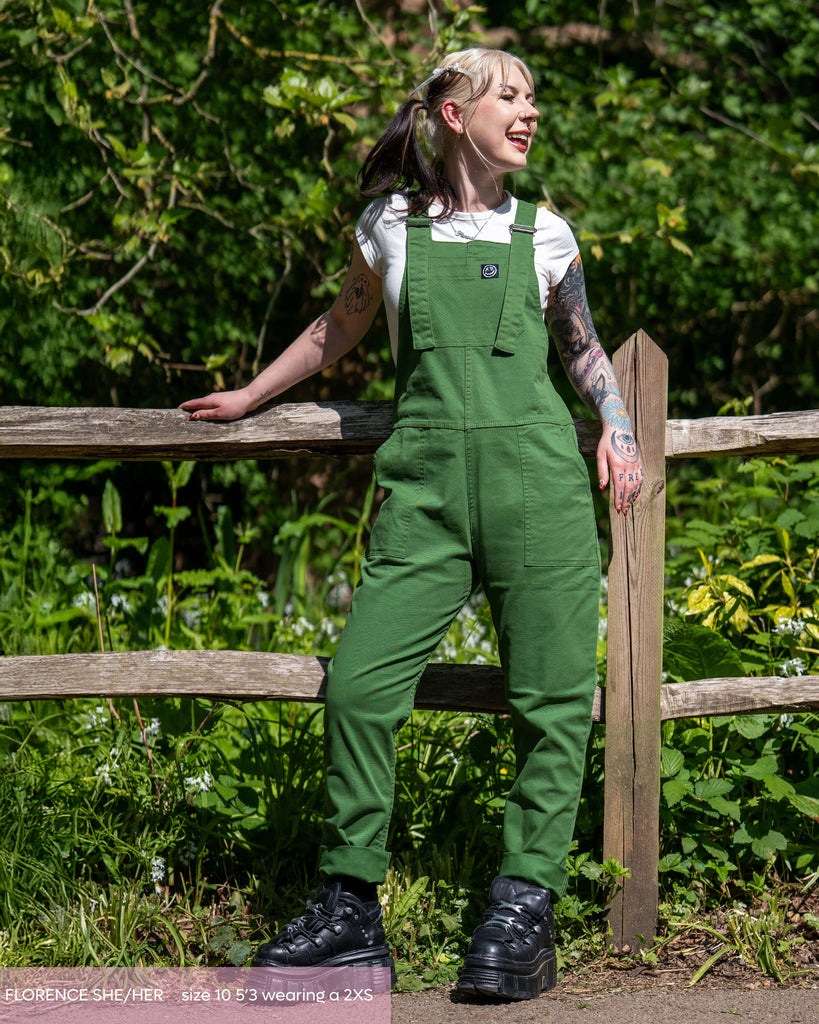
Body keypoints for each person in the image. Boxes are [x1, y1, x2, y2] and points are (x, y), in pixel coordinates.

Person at [180, 47, 643, 1001]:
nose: (529, 114)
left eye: (530, 98)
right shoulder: (386, 225)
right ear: (449, 112)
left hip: (540, 491)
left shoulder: (547, 234)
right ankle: (350, 905)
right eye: (509, 98)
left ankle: (522, 905)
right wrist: (252, 396)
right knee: (356, 687)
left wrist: (620, 429)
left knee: (552, 703)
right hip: (424, 495)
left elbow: (584, 349)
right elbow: (338, 326)